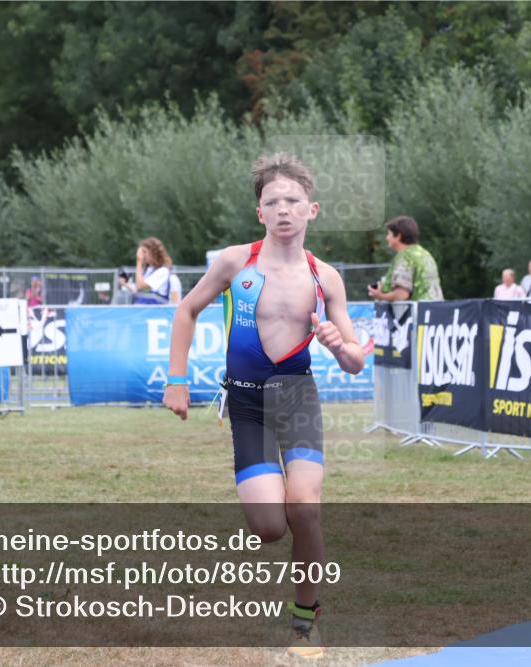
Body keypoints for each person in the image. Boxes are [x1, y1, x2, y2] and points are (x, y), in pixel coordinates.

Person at [163, 153, 365, 658]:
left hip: (297, 398)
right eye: (271, 202)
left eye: (292, 201)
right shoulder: (236, 262)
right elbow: (186, 310)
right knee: (271, 527)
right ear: (259, 213)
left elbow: (357, 360)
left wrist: (339, 345)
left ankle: (305, 619)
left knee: (306, 508)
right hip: (248, 405)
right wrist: (176, 379)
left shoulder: (326, 277)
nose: (282, 210)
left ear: (311, 210)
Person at [367, 215, 443, 301]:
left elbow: (401, 295)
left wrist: (380, 296)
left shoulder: (405, 257)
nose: (387, 238)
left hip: (417, 312)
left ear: (398, 236)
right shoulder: (424, 254)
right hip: (435, 310)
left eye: (389, 234)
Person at [134, 237, 174, 305]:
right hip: (144, 310)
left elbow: (142, 286)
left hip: (155, 312)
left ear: (153, 252)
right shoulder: (149, 270)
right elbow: (138, 288)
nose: (142, 255)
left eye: (145, 252)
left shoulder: (163, 271)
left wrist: (139, 261)